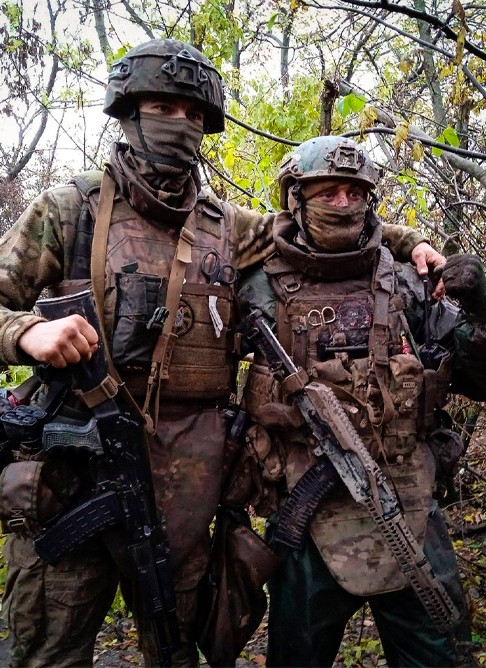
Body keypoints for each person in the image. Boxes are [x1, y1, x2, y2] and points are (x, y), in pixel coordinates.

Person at [0, 39, 444, 667]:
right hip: (78, 454)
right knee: (48, 640)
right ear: (128, 112)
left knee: (176, 637)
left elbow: (322, 230)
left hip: (190, 467)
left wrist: (413, 242)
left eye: (191, 114)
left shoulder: (224, 227)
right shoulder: (69, 210)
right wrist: (23, 333)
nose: (177, 124)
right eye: (160, 106)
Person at [237, 134, 486, 667]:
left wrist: (481, 311)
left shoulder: (408, 281)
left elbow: (482, 382)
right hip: (304, 510)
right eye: (328, 192)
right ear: (296, 197)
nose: (343, 204)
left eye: (355, 193)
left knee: (441, 654)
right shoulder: (257, 287)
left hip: (407, 502)